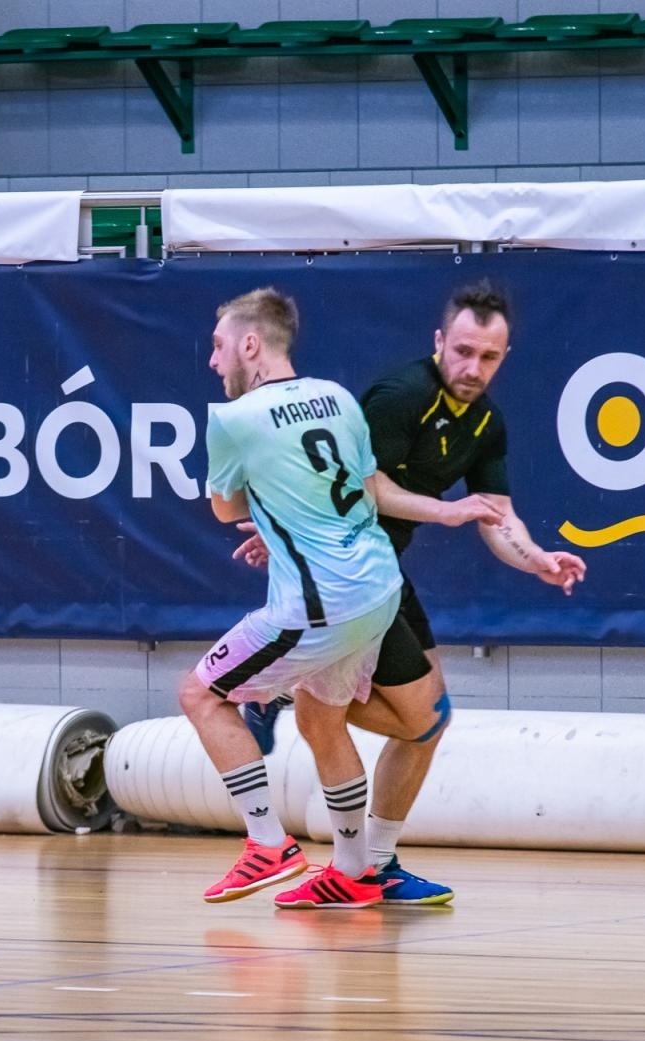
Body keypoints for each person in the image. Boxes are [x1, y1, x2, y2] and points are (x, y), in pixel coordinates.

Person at [235, 280, 587, 903]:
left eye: (488, 357)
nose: (472, 368)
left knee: (426, 724)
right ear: (438, 342)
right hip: (347, 576)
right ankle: (352, 858)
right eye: (462, 351)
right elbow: (345, 482)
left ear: (505, 357)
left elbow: (497, 514)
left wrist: (537, 561)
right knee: (413, 721)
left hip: (383, 573)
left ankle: (372, 861)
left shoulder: (486, 422)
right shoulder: (401, 398)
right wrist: (290, 527)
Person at [177, 287, 454, 909]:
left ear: (251, 343)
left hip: (316, 604)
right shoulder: (337, 397)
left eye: (219, 346)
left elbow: (224, 508)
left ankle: (267, 843)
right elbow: (361, 487)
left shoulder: (232, 420)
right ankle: (355, 870)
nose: (214, 361)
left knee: (199, 695)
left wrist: (274, 504)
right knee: (322, 718)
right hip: (379, 589)